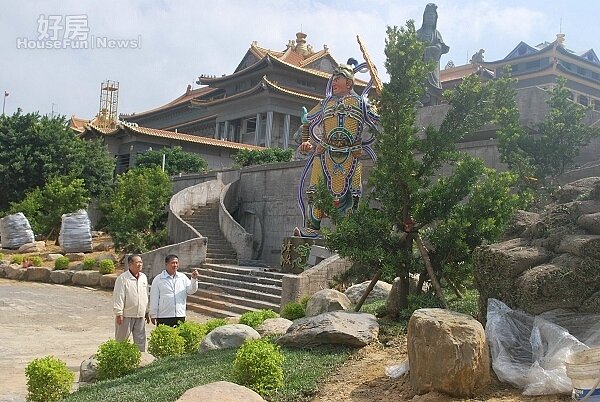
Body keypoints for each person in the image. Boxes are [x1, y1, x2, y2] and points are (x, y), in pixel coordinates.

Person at [293, 58, 380, 238]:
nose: (333, 82)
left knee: (353, 193)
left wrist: (385, 101)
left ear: (348, 82)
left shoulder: (361, 103)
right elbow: (307, 120)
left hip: (352, 155)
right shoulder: (325, 103)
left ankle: (347, 232)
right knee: (314, 190)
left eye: (337, 79)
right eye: (333, 79)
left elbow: (378, 119)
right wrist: (306, 141)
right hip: (324, 152)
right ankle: (312, 228)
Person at [149, 254, 199, 327]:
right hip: (164, 315)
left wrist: (194, 279)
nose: (175, 265)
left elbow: (191, 290)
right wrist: (153, 314)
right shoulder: (158, 279)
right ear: (166, 264)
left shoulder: (182, 277)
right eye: (172, 263)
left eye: (176, 263)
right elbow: (154, 298)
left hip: (179, 314)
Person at [113, 254, 149, 351]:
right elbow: (119, 296)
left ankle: (140, 357)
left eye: (141, 262)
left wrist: (146, 311)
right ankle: (119, 357)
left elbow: (145, 295)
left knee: (140, 340)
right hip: (126, 315)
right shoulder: (122, 278)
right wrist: (119, 313)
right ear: (130, 264)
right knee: (121, 340)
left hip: (140, 315)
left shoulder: (143, 277)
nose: (140, 264)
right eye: (137, 262)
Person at [416, 3, 450, 99]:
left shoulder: (436, 33)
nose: (430, 19)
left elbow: (441, 47)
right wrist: (422, 51)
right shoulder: (418, 33)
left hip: (432, 67)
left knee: (433, 92)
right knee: (420, 86)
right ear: (424, 17)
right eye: (428, 16)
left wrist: (434, 49)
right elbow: (413, 50)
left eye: (432, 17)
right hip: (421, 65)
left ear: (435, 19)